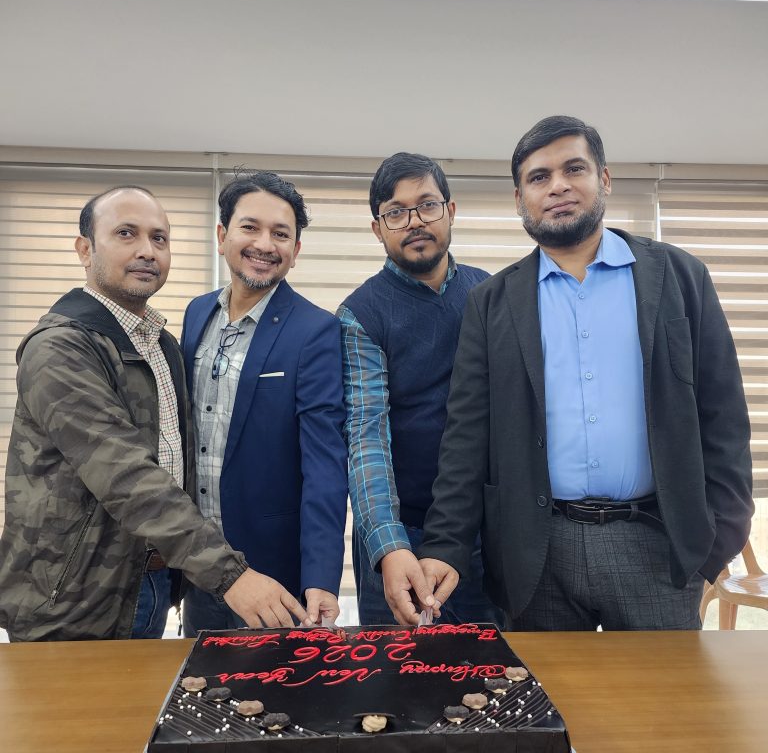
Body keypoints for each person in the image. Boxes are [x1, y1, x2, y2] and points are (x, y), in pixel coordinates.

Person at [412, 116, 754, 631]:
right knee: (544, 688)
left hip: (657, 545)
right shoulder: (492, 303)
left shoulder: (681, 278)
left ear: (605, 179)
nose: (558, 187)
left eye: (574, 169)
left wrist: (718, 537)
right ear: (520, 198)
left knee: (658, 689)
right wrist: (445, 545)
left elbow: (723, 414)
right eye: (539, 177)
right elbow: (466, 438)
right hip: (536, 553)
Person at [0, 185, 312, 641]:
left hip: (152, 583)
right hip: (70, 598)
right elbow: (125, 474)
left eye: (159, 238)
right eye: (126, 234)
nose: (147, 251)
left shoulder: (160, 344)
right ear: (85, 250)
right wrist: (231, 576)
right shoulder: (60, 347)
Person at [338, 152, 503, 627]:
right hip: (398, 536)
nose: (414, 222)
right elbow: (366, 434)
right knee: (392, 668)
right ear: (378, 229)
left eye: (427, 205)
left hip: (486, 532)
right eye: (396, 212)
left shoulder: (492, 295)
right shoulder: (360, 313)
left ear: (450, 211)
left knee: (492, 665)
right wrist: (389, 544)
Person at [180, 170, 348, 635]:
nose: (264, 244)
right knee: (198, 678)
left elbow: (324, 464)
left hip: (272, 574)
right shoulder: (196, 313)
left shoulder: (315, 330)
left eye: (280, 234)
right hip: (200, 566)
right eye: (250, 227)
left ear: (295, 250)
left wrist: (321, 577)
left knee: (276, 682)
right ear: (222, 236)